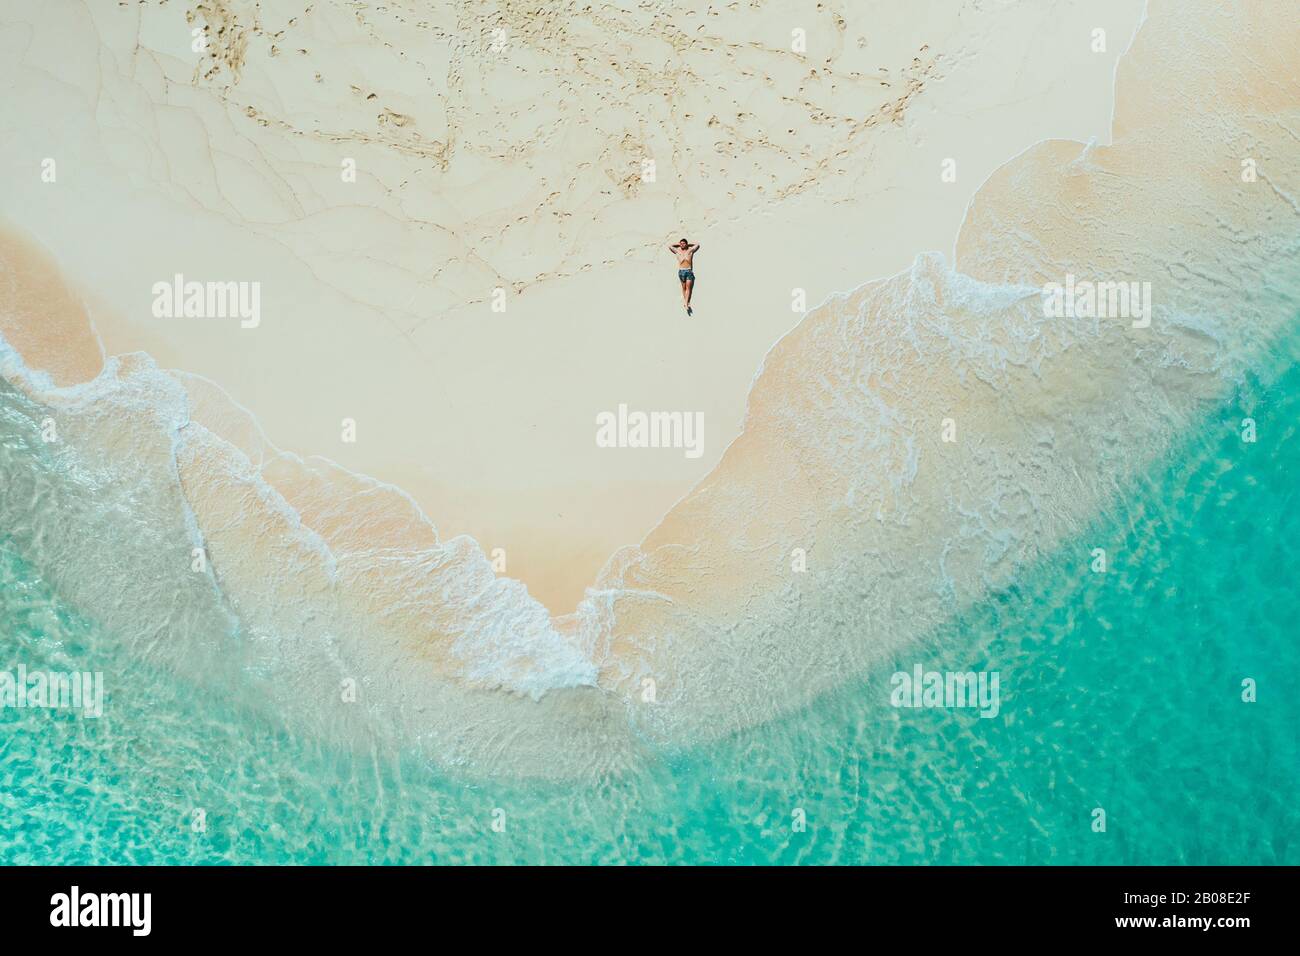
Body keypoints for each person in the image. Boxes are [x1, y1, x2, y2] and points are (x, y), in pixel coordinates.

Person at [669, 238, 700, 315]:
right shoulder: (678, 251)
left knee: (688, 288)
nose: (682, 245)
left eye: (683, 243)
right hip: (681, 271)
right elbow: (670, 246)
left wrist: (688, 244)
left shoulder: (690, 251)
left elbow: (697, 244)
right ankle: (686, 302)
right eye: (681, 244)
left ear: (686, 244)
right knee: (684, 288)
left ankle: (686, 303)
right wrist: (679, 244)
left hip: (689, 270)